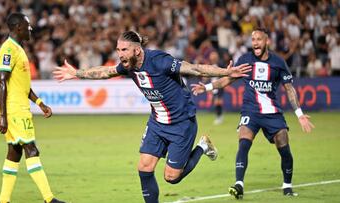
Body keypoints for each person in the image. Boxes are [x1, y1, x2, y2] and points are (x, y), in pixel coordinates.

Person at [53, 31, 252, 203]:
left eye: (124, 50)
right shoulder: (128, 65)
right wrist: (77, 73)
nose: (119, 54)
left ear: (136, 51)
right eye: (118, 49)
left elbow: (195, 68)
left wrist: (226, 71)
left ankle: (203, 147)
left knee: (172, 177)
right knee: (144, 167)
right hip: (157, 122)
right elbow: (106, 72)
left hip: (182, 123)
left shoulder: (160, 61)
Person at [191, 28, 314, 199]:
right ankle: (239, 184)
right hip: (251, 111)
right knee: (244, 143)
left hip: (272, 112)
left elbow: (289, 89)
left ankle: (287, 186)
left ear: (267, 41)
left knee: (284, 148)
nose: (255, 42)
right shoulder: (246, 60)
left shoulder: (278, 63)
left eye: (258, 39)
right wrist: (207, 87)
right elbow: (228, 78)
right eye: (253, 39)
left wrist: (299, 114)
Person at [0, 13, 65, 203]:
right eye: (27, 26)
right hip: (14, 109)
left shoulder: (19, 49)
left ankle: (3, 201)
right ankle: (49, 199)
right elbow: (1, 80)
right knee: (31, 149)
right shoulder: (9, 49)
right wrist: (3, 115)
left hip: (17, 106)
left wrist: (40, 103)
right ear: (18, 27)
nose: (30, 29)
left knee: (14, 152)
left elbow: (23, 86)